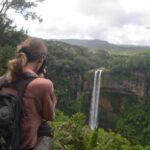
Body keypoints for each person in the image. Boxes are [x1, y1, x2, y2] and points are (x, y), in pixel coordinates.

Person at [3, 37, 57, 150]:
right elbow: (50, 116)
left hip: (4, 143)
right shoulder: (43, 85)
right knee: (46, 130)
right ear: (42, 59)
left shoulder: (3, 80)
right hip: (25, 146)